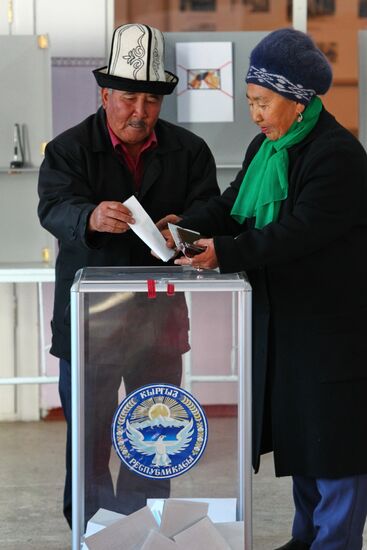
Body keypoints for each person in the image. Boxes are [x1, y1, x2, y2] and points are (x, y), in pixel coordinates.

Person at [166, 28, 367, 550]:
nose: (254, 114)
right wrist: (183, 226)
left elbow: (299, 231)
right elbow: (233, 207)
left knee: (336, 447)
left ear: (298, 102)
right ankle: (307, 539)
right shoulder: (266, 146)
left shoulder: (338, 155)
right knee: (305, 439)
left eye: (263, 102)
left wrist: (226, 252)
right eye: (250, 101)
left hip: (332, 329)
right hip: (286, 325)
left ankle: (336, 543)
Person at [37, 22, 219, 528]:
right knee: (90, 440)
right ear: (105, 95)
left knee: (153, 435)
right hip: (90, 325)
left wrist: (190, 224)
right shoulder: (69, 148)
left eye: (151, 102)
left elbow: (213, 208)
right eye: (128, 99)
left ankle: (144, 530)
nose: (139, 112)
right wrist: (88, 217)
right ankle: (91, 532)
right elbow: (52, 206)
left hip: (159, 324)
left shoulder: (190, 150)